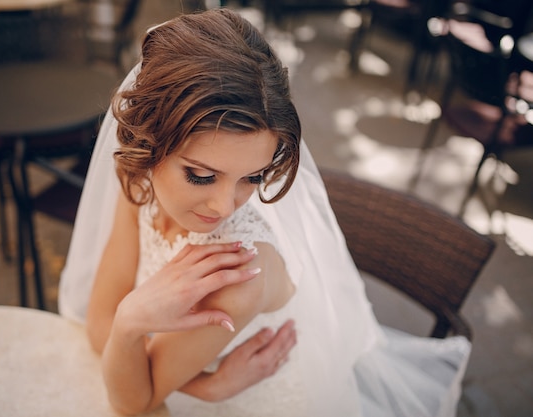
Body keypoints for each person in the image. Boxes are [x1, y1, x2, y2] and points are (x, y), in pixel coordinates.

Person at [59, 8, 471, 417]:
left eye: (253, 178)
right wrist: (205, 384)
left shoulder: (240, 274)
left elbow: (132, 401)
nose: (224, 206)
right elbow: (100, 326)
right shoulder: (139, 180)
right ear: (148, 144)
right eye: (202, 175)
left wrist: (130, 321)